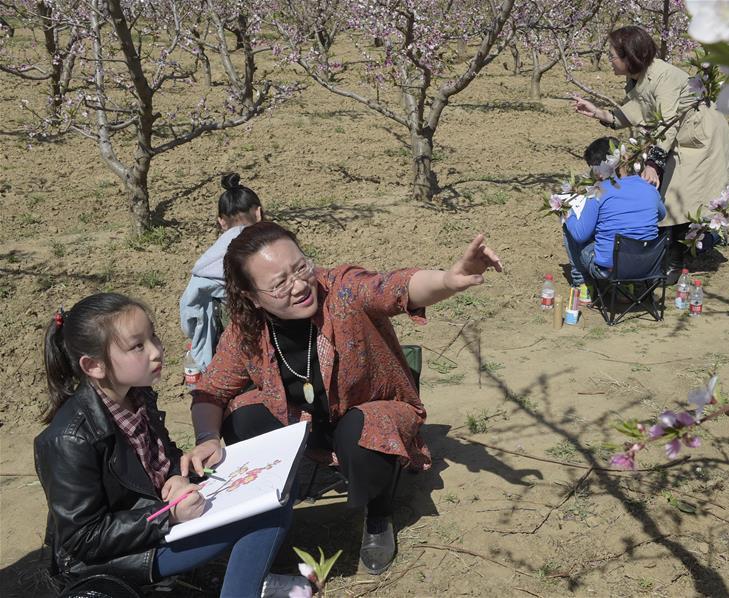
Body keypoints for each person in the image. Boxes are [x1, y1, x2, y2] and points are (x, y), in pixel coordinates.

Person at [181, 221, 503, 576]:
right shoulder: (249, 329)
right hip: (308, 421)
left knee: (359, 432)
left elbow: (393, 287)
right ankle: (275, 501)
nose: (300, 285)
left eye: (300, 267)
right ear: (252, 297)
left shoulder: (343, 291)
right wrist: (207, 439)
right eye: (279, 284)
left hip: (369, 415)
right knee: (240, 417)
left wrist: (448, 280)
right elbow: (211, 389)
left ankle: (379, 514)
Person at [34, 293, 309, 597]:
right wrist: (168, 515)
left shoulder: (137, 395)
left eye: (153, 336)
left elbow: (159, 459)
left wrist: (179, 473)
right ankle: (244, 587)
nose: (156, 351)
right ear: (94, 366)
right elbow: (83, 538)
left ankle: (252, 579)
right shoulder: (69, 439)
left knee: (278, 484)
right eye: (138, 345)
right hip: (118, 556)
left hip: (157, 521)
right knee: (265, 510)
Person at [571, 25, 729, 278]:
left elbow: (667, 124)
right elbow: (633, 111)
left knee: (679, 194)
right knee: (672, 196)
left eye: (612, 56)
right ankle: (679, 248)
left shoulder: (664, 77)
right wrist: (598, 113)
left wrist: (654, 163)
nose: (610, 61)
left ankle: (691, 247)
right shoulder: (640, 77)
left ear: (630, 56)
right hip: (680, 138)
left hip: (700, 138)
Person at [179, 173, 264, 371]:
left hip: (232, 343)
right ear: (258, 213)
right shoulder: (274, 244)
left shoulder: (209, 261)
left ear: (221, 222)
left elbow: (190, 308)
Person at [563, 137, 667, 294]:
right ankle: (626, 289)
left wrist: (567, 214)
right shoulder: (648, 187)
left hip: (610, 268)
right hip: (648, 264)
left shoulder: (599, 191)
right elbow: (661, 215)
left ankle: (582, 285)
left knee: (570, 226)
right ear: (625, 157)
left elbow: (579, 235)